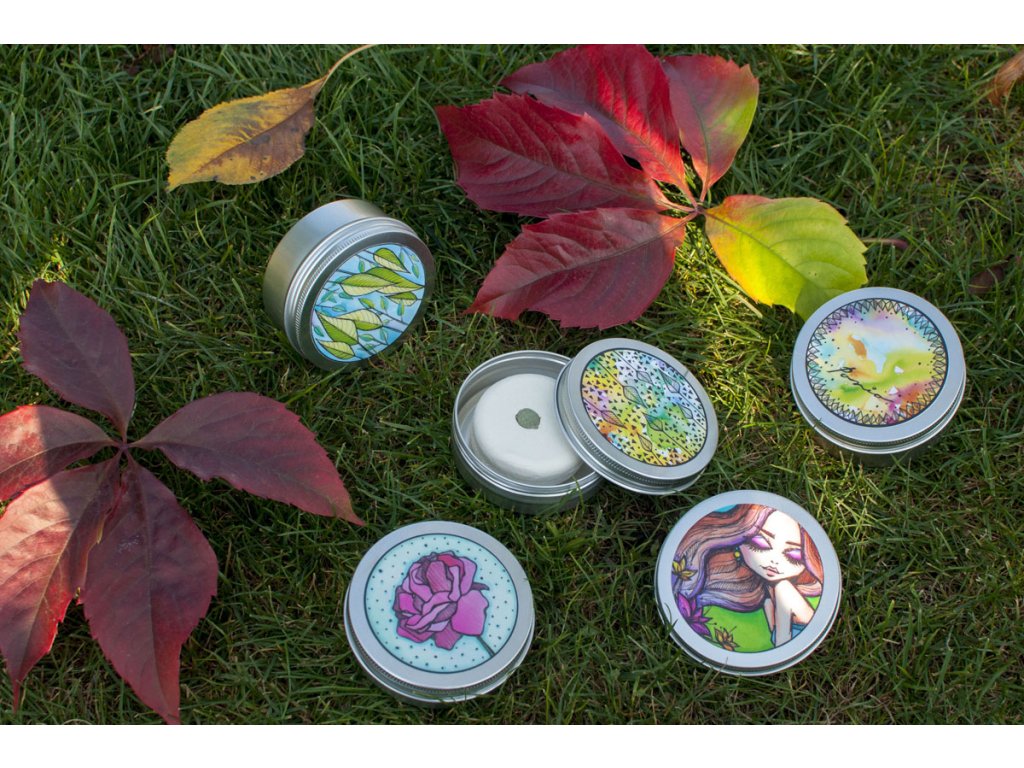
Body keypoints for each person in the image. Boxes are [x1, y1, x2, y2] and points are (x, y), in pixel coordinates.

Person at [673, 503, 824, 648]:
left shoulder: (784, 589)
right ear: (738, 539)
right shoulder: (767, 599)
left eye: (794, 556)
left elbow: (782, 644)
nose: (774, 561)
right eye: (760, 544)